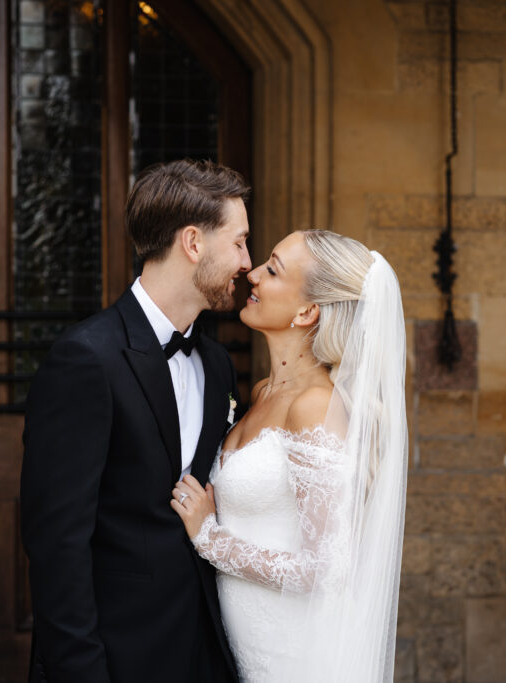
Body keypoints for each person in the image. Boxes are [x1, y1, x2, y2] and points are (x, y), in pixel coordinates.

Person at [20, 159, 251, 683]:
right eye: (238, 242)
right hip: (118, 658)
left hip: (207, 651)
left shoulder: (216, 365)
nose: (247, 261)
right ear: (194, 242)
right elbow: (57, 544)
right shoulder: (86, 358)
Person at [171, 229, 408, 682]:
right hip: (240, 645)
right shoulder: (261, 391)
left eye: (273, 270)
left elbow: (326, 570)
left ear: (307, 311)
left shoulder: (315, 407)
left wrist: (211, 539)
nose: (253, 274)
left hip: (293, 655)